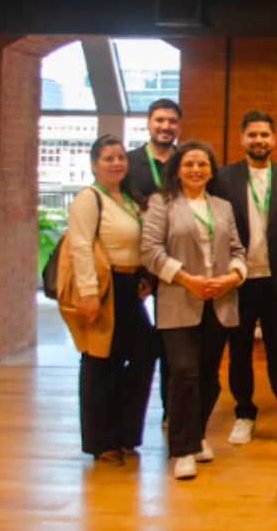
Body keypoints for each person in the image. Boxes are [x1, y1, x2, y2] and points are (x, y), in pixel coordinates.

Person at [140, 140, 248, 480]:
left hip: (219, 302)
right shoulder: (162, 203)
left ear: (211, 170)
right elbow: (151, 251)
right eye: (189, 164)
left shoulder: (222, 207)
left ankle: (197, 435)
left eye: (202, 164)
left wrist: (232, 278)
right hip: (179, 301)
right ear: (177, 170)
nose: (196, 169)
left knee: (208, 378)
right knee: (183, 372)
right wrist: (188, 280)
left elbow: (237, 250)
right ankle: (182, 449)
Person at [212, 111, 277, 447]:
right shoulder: (223, 178)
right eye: (252, 135)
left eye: (264, 135)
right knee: (238, 350)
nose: (258, 140)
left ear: (274, 139)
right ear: (242, 138)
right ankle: (244, 414)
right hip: (238, 279)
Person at [66, 135, 156, 466]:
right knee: (100, 363)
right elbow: (79, 245)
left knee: (144, 353)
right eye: (108, 158)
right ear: (94, 164)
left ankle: (125, 435)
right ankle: (102, 442)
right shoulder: (90, 198)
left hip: (130, 286)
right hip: (104, 289)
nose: (116, 162)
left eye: (120, 157)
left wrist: (143, 276)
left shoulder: (129, 199)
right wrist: (88, 292)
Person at [122, 98, 182, 421]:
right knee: (133, 342)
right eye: (159, 120)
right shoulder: (129, 162)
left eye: (172, 121)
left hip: (175, 263)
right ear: (148, 123)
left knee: (169, 341)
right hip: (135, 262)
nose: (165, 126)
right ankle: (125, 413)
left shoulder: (186, 162)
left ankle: (170, 411)